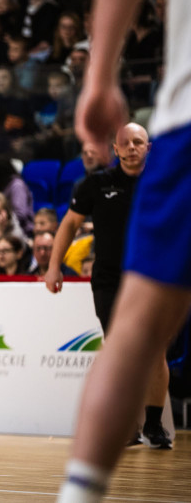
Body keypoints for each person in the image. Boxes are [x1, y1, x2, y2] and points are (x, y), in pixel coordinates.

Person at [48, 124, 170, 457]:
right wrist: (53, 266)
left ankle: (154, 425)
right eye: (125, 143)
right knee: (120, 352)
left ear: (148, 148)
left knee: (155, 350)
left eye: (138, 142)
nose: (132, 148)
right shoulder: (96, 184)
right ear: (115, 150)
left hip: (153, 278)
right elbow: (70, 225)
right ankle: (126, 427)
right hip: (109, 280)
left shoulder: (164, 183)